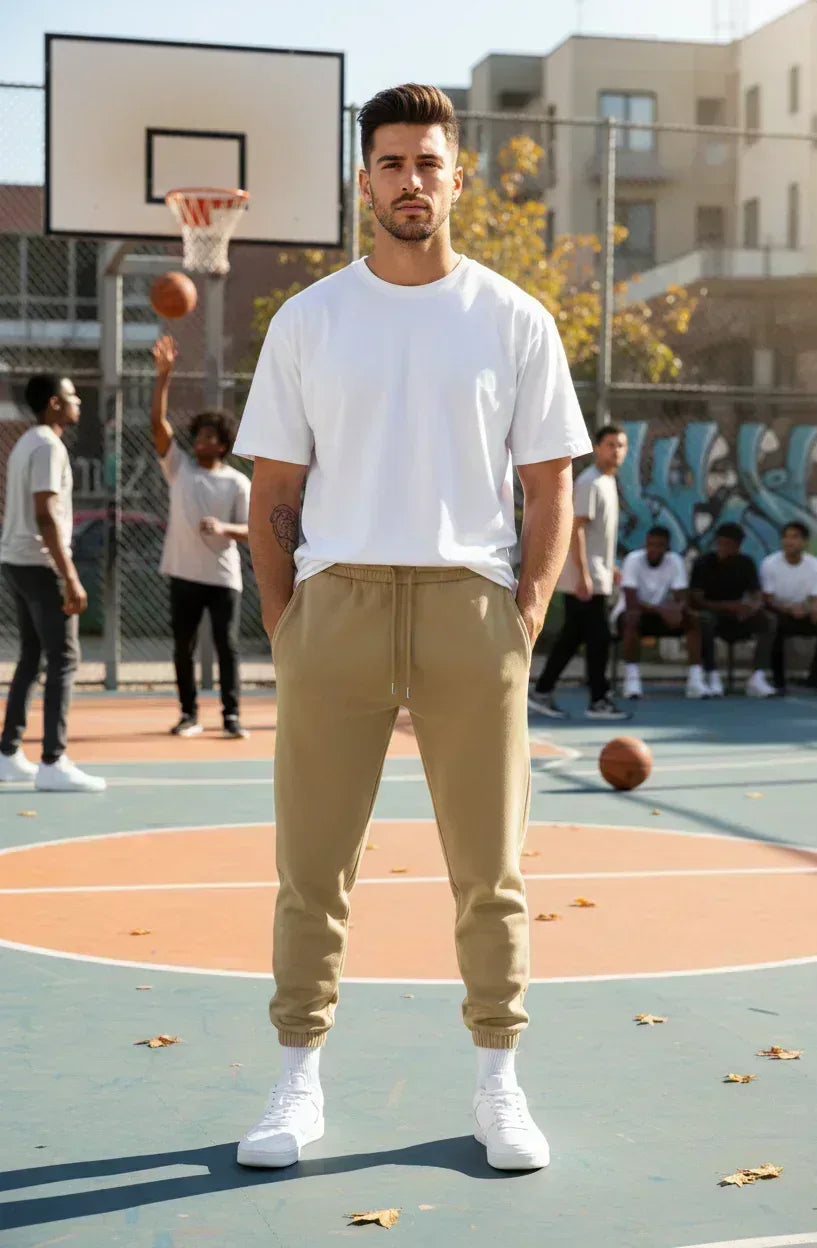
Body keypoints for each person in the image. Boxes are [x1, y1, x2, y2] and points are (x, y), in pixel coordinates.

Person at [233, 84, 592, 1173]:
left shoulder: (513, 318)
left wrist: (519, 617)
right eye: (390, 163)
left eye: (427, 163)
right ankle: (297, 1083)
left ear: (456, 177)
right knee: (312, 866)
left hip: (466, 610)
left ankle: (498, 1085)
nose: (408, 182)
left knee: (490, 870)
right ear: (364, 178)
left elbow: (547, 489)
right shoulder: (310, 320)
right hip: (335, 607)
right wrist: (290, 627)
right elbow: (273, 492)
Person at [0, 375, 105, 791]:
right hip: (40, 564)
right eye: (70, 395)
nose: (77, 400)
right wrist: (70, 575)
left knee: (32, 656)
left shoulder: (29, 441)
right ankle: (53, 760)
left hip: (17, 560)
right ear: (53, 403)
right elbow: (44, 513)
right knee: (64, 658)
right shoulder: (47, 445)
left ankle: (8, 753)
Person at [150, 336, 251, 739]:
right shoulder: (180, 469)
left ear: (223, 444)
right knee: (182, 648)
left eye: (210, 437)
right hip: (183, 574)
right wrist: (164, 378)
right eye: (199, 435)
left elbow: (251, 531)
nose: (201, 442)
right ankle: (189, 714)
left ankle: (231, 716)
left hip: (223, 578)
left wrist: (225, 529)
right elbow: (158, 425)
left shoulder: (237, 482)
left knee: (227, 648)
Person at [528, 424, 629, 720]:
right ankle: (597, 700)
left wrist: (610, 566)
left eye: (621, 445)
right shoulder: (590, 483)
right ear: (597, 448)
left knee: (573, 638)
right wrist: (583, 575)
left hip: (596, 575)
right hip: (583, 580)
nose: (616, 450)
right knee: (596, 639)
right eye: (610, 444)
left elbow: (599, 534)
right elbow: (577, 530)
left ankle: (543, 691)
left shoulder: (608, 482)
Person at [618, 525, 708, 700]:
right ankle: (632, 680)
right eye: (650, 544)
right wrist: (662, 609)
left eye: (659, 545)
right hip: (634, 614)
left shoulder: (675, 561)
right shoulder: (633, 560)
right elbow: (631, 601)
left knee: (693, 619)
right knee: (632, 618)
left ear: (667, 548)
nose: (653, 549)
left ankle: (695, 680)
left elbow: (682, 598)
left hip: (662, 616)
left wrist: (677, 610)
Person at [689, 522, 776, 698]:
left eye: (728, 544)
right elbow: (696, 600)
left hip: (738, 616)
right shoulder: (703, 563)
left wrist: (751, 608)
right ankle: (711, 675)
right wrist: (727, 606)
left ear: (737, 546)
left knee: (769, 620)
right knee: (703, 620)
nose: (723, 548)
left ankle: (757, 677)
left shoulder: (746, 563)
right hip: (712, 613)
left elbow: (756, 594)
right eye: (720, 543)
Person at [761, 520, 817, 692]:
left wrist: (811, 610)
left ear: (805, 542)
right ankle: (779, 681)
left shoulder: (815, 565)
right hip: (779, 611)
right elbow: (767, 599)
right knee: (773, 624)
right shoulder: (770, 563)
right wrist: (789, 609)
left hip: (803, 612)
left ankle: (814, 678)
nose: (789, 541)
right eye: (785, 537)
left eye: (795, 537)